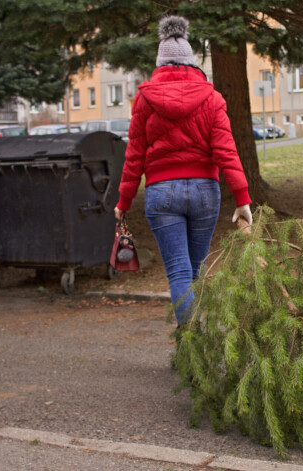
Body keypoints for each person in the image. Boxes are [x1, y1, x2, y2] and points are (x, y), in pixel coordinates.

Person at [114, 16, 252, 326]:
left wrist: (123, 202)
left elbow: (134, 155)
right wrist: (242, 197)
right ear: (193, 63)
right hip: (205, 191)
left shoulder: (144, 99)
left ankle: (192, 348)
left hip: (162, 192)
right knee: (196, 270)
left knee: (178, 271)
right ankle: (196, 354)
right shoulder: (212, 98)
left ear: (159, 64)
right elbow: (226, 150)